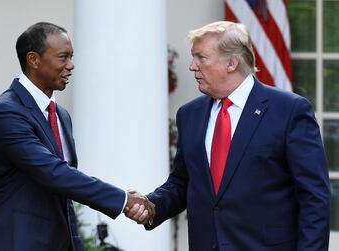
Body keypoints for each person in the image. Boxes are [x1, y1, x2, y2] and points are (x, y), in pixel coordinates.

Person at [126, 21, 330, 250]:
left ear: (232, 63)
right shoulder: (189, 114)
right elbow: (183, 182)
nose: (192, 66)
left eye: (201, 57)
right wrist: (152, 205)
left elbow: (314, 198)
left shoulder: (289, 110)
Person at [0, 22, 154, 251]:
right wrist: (122, 199)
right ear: (33, 59)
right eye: (63, 57)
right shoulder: (7, 112)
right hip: (16, 242)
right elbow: (54, 174)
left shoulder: (61, 115)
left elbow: (64, 193)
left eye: (71, 57)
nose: (71, 65)